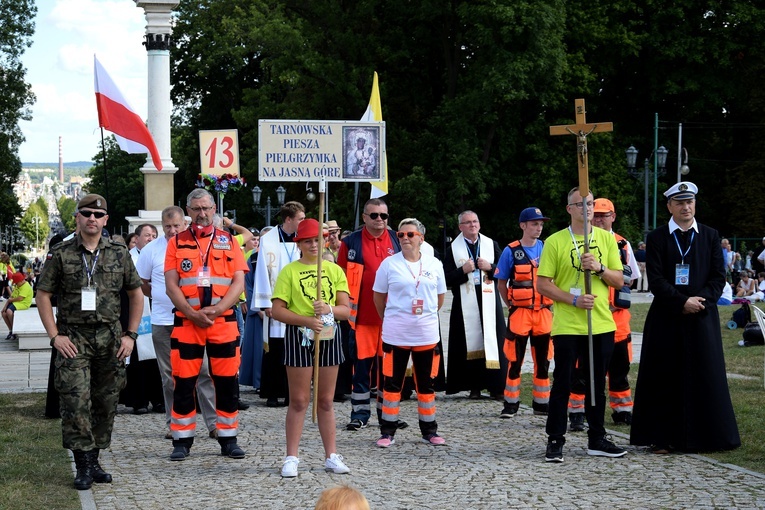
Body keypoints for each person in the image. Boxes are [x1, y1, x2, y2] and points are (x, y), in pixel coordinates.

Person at [36, 193, 143, 490]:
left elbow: (136, 294)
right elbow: (43, 294)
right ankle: (82, 463)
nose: (92, 219)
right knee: (75, 400)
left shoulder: (120, 253)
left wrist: (130, 335)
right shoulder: (62, 253)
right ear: (77, 218)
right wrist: (54, 335)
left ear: (106, 219)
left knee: (106, 401)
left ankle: (94, 458)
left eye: (98, 215)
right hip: (74, 338)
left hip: (110, 338)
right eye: (86, 214)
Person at [630, 181, 741, 453]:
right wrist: (681, 302)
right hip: (667, 316)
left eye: (689, 202)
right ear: (669, 206)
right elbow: (654, 278)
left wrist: (699, 302)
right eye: (679, 202)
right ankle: (663, 437)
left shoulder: (710, 235)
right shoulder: (657, 238)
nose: (686, 207)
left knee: (705, 374)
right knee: (665, 376)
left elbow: (718, 276)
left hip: (702, 316)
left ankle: (708, 437)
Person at [536, 187, 627, 463]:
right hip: (568, 325)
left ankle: (596, 438)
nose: (587, 209)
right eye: (580, 204)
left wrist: (599, 268)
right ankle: (555, 439)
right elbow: (542, 284)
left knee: (597, 383)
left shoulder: (606, 239)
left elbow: (619, 280)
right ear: (570, 209)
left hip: (600, 323)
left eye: (590, 204)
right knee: (563, 383)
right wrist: (572, 300)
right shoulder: (555, 241)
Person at [164, 188, 248, 461]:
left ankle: (227, 438)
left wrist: (219, 308)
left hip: (223, 322)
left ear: (214, 210)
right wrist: (191, 312)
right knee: (183, 382)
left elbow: (238, 281)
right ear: (188, 212)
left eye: (206, 208)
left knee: (226, 383)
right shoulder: (176, 243)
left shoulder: (229, 241)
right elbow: (171, 285)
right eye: (196, 209)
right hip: (188, 322)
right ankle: (182, 439)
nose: (202, 213)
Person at [270, 218, 351, 477]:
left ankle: (331, 455)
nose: (313, 245)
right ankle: (291, 457)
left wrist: (328, 309)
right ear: (300, 244)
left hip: (329, 335)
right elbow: (277, 310)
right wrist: (306, 320)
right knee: (299, 400)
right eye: (308, 240)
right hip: (299, 335)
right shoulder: (290, 272)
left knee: (326, 401)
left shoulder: (335, 270)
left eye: (317, 240)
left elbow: (345, 310)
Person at [135, 206, 219, 440]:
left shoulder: (196, 246)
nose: (172, 231)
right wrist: (161, 296)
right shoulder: (151, 250)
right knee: (170, 374)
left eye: (176, 226)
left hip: (194, 319)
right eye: (167, 227)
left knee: (203, 371)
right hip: (163, 320)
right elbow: (141, 281)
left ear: (185, 223)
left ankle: (213, 423)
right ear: (162, 226)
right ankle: (176, 423)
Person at [372, 218, 447, 448]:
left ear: (421, 238)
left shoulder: (434, 264)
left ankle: (429, 430)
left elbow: (440, 298)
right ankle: (387, 431)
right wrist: (390, 318)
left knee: (426, 385)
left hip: (426, 335)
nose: (404, 238)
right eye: (401, 234)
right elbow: (378, 297)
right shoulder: (389, 264)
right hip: (396, 334)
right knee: (392, 385)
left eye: (410, 235)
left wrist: (425, 315)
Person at [568, 198, 641, 430]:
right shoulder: (581, 240)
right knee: (582, 366)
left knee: (620, 366)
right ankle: (577, 411)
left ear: (613, 216)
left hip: (617, 315)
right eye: (596, 215)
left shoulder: (623, 245)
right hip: (588, 313)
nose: (599, 219)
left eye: (604, 215)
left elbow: (631, 278)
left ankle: (621, 409)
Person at [337, 198, 401, 431]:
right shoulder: (351, 241)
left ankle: (388, 414)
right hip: (362, 319)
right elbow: (341, 278)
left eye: (383, 216)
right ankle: (360, 413)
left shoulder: (397, 239)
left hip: (391, 319)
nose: (379, 220)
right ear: (364, 217)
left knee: (389, 369)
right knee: (361, 369)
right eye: (374, 215)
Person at [495, 207, 553, 417]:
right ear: (523, 226)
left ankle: (541, 404)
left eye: (540, 224)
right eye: (534, 224)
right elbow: (501, 283)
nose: (538, 228)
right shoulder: (510, 251)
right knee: (514, 359)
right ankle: (511, 404)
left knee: (544, 360)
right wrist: (511, 306)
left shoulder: (548, 248)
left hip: (544, 313)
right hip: (520, 312)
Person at [444, 210, 505, 399]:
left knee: (494, 340)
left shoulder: (490, 244)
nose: (473, 225)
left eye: (475, 221)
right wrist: (463, 270)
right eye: (468, 222)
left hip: (489, 298)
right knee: (467, 341)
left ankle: (496, 386)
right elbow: (446, 279)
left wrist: (490, 267)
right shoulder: (452, 249)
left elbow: (504, 271)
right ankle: (474, 387)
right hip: (464, 300)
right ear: (460, 227)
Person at [253, 201, 306, 407]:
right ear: (288, 219)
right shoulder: (269, 240)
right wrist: (266, 302)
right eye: (300, 219)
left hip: (298, 303)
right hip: (277, 301)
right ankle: (273, 392)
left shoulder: (304, 239)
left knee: (295, 349)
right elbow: (262, 272)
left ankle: (291, 393)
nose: (303, 222)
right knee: (274, 350)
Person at [2, 272, 33, 339]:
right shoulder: (18, 285)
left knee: (9, 311)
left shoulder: (26, 286)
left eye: (16, 283)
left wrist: (10, 301)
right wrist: (4, 307)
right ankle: (11, 330)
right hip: (16, 302)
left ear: (21, 281)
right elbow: (11, 297)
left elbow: (20, 298)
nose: (15, 284)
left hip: (23, 303)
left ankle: (14, 330)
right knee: (4, 313)